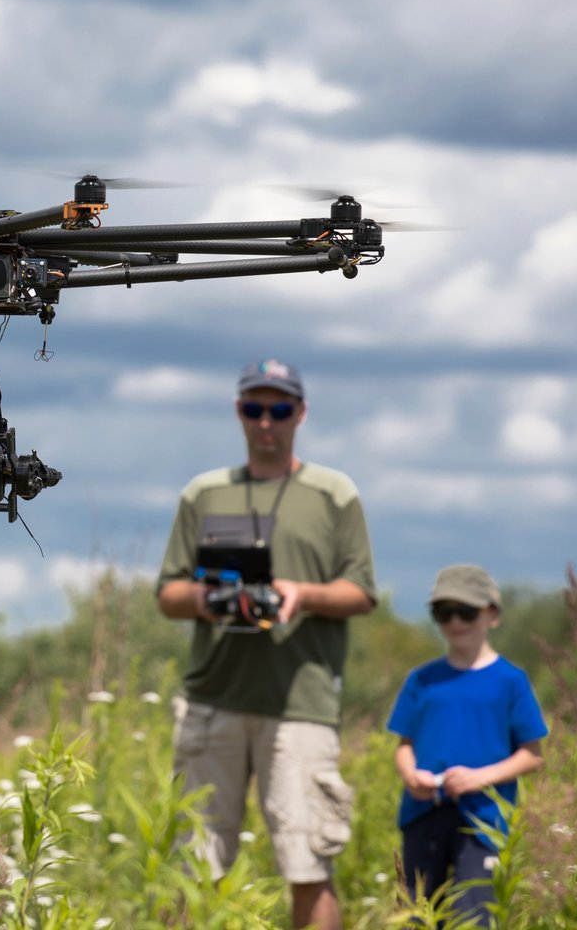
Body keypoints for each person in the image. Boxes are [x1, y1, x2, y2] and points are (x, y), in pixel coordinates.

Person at [157, 359, 377, 930]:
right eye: (254, 408)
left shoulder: (334, 494)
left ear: (300, 413)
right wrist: (210, 600)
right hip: (214, 699)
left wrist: (299, 593)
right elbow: (168, 592)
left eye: (279, 409)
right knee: (194, 866)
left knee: (308, 865)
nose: (266, 422)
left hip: (299, 705)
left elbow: (361, 591)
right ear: (239, 412)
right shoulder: (204, 493)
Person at [387, 564, 547, 927]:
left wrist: (478, 779)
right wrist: (411, 776)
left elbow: (531, 755)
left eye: (467, 611)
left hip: (483, 820)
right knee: (417, 914)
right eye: (444, 613)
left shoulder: (510, 680)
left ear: (491, 614)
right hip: (423, 812)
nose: (456, 621)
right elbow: (404, 744)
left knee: (473, 915)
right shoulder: (422, 679)